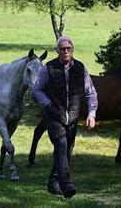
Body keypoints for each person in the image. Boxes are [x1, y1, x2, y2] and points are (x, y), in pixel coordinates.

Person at [32, 35, 97, 199]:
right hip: (53, 115)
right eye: (62, 49)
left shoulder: (81, 68)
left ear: (72, 50)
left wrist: (91, 114)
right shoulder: (48, 68)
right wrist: (47, 104)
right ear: (57, 51)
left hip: (73, 117)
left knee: (67, 150)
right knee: (61, 145)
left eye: (68, 48)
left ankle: (53, 184)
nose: (66, 51)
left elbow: (90, 93)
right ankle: (66, 185)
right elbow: (36, 90)